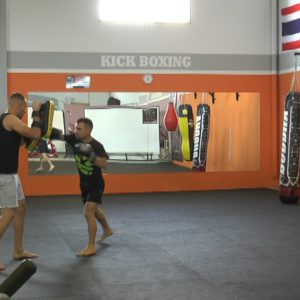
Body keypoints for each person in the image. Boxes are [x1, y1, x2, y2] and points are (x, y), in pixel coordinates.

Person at [51, 118, 113, 257]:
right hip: (84, 183)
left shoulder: (97, 146)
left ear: (89, 130)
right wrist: (51, 132)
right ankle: (107, 229)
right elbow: (61, 136)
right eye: (76, 128)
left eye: (80, 129)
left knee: (88, 212)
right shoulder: (74, 138)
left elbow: (104, 164)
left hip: (96, 184)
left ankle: (91, 247)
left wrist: (90, 155)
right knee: (94, 210)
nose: (76, 131)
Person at [0, 93, 43, 271]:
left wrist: (31, 138)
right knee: (9, 214)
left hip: (12, 174)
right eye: (24, 109)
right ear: (17, 106)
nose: (25, 112)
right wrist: (37, 113)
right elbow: (34, 132)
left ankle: (18, 250)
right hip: (4, 175)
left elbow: (21, 142)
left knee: (21, 208)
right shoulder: (9, 119)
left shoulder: (10, 124)